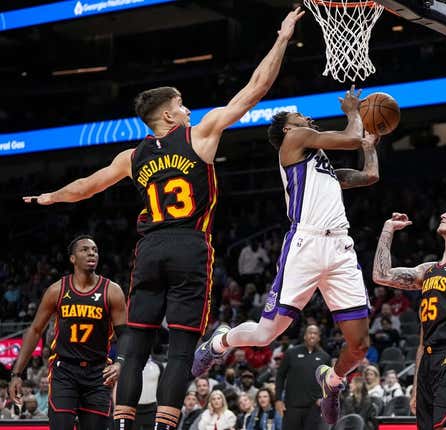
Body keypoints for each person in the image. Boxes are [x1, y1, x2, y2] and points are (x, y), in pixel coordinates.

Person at [22, 8, 304, 430]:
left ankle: (122, 425)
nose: (188, 110)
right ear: (170, 116)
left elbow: (87, 186)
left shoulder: (131, 157)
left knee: (134, 346)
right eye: (181, 105)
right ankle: (164, 426)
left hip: (149, 249)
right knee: (180, 349)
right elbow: (254, 90)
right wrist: (282, 39)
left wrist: (49, 196)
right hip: (189, 245)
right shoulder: (200, 134)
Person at [193, 85, 381, 426]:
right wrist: (354, 112)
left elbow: (370, 176)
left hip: (340, 248)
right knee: (266, 334)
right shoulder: (293, 143)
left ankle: (332, 381)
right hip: (305, 245)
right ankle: (219, 343)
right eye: (300, 118)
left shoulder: (323, 170)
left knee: (359, 346)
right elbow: (351, 136)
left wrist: (370, 148)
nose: (307, 119)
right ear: (287, 129)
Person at [373, 204, 446, 430]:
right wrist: (388, 229)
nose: (443, 215)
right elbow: (381, 276)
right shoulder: (428, 270)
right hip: (428, 359)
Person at [8, 236, 126, 430]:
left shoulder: (112, 291)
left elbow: (126, 335)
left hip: (98, 373)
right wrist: (16, 373)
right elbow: (35, 330)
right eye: (85, 250)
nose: (91, 253)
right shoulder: (57, 290)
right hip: (65, 371)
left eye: (95, 250)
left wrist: (121, 363)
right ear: (72, 258)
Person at [275, 325, 330, 430]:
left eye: (315, 333)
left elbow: (328, 382)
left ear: (319, 337)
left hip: (313, 408)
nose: (312, 335)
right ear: (305, 336)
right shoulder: (291, 353)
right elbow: (280, 376)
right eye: (310, 333)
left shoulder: (325, 357)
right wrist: (278, 399)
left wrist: (324, 398)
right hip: (292, 406)